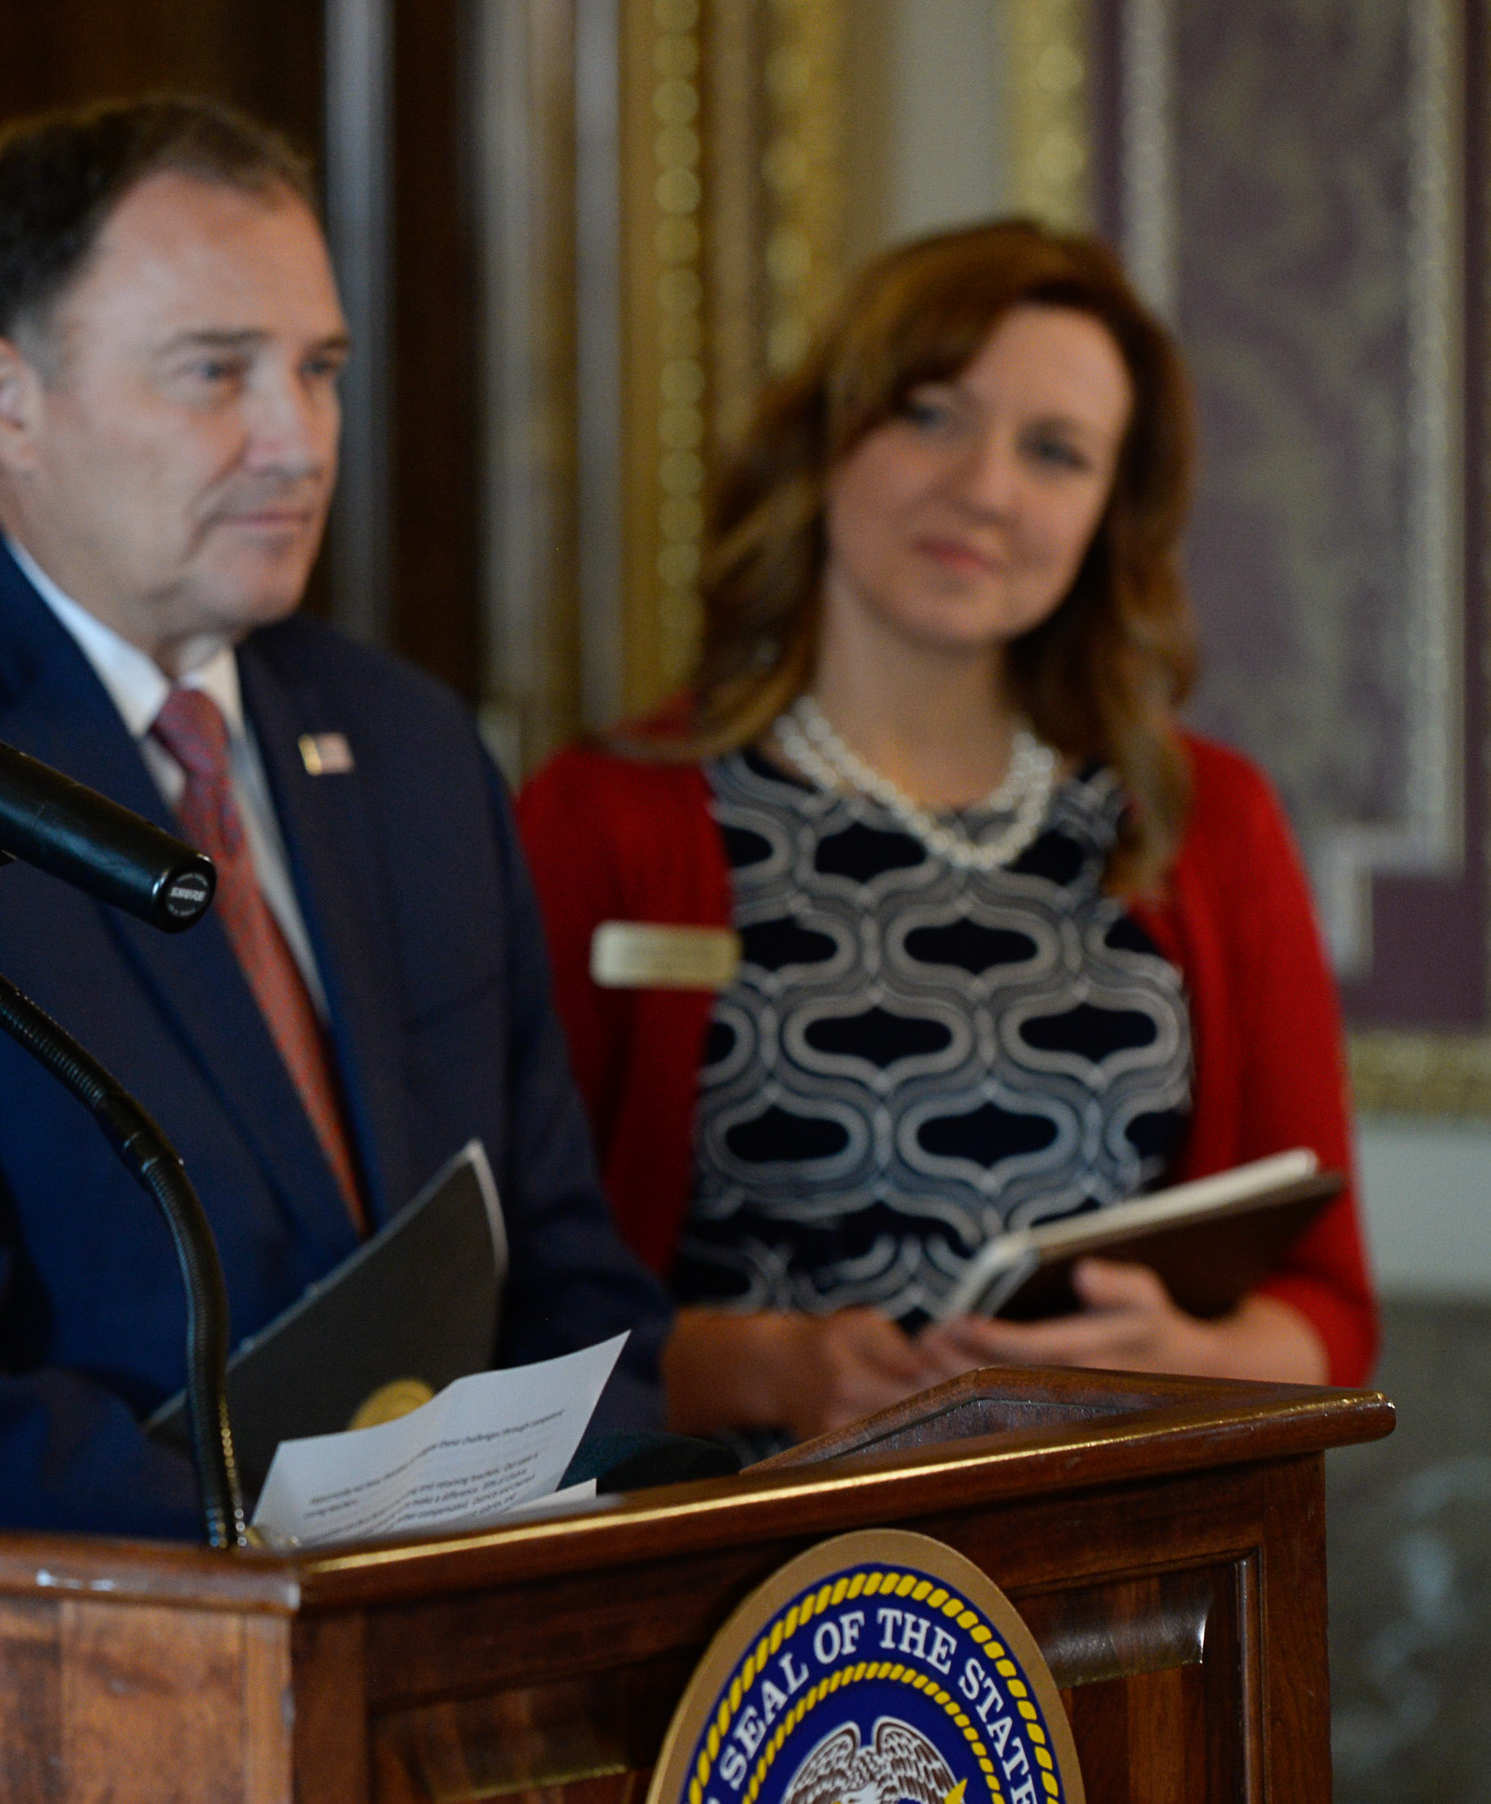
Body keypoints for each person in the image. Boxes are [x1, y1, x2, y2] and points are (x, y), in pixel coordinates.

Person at [0, 94, 670, 1540]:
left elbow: (573, 1267)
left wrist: (567, 1510)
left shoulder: (410, 744)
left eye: (320, 369)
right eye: (217, 373)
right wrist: (276, 1570)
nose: (299, 439)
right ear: (6, 399)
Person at [515, 220, 1377, 1448]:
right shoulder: (606, 815)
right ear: (826, 433)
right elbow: (492, 1311)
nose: (983, 488)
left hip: (1103, 1579)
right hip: (727, 1580)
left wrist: (1195, 1359)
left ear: (1107, 514)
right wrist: (754, 1369)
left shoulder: (1206, 819)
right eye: (931, 415)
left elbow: (1326, 1310)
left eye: (1054, 452)